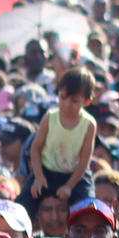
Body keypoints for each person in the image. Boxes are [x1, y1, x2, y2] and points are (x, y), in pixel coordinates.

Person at [30, 68, 100, 207]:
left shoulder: (89, 124)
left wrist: (69, 185)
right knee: (24, 203)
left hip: (75, 174)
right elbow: (35, 148)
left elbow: (84, 160)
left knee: (88, 208)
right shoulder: (50, 117)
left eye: (74, 101)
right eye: (62, 97)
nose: (67, 104)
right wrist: (38, 177)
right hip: (46, 170)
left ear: (86, 101)